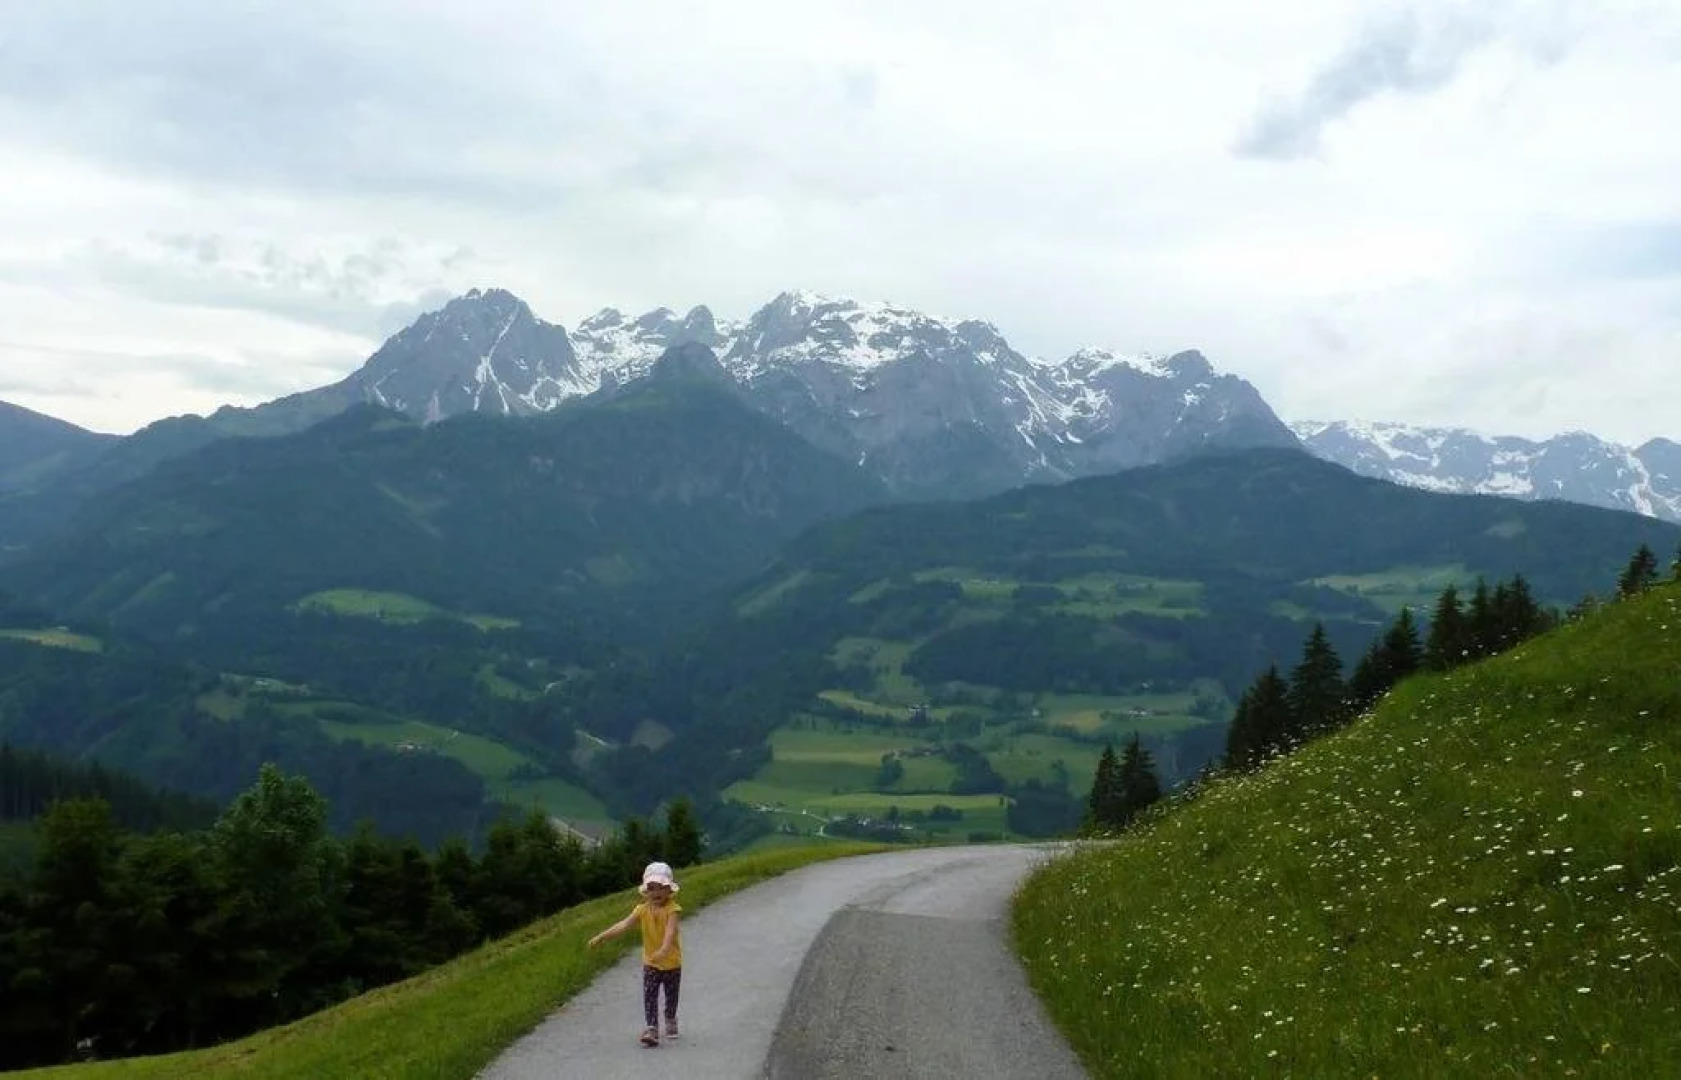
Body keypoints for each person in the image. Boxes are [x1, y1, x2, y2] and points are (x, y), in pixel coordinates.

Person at [587, 860, 684, 1047]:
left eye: (660, 888)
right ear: (645, 891)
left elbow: (671, 932)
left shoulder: (673, 910)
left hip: (671, 962)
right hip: (651, 962)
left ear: (669, 890)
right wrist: (602, 936)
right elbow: (623, 925)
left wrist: (664, 949)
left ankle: (670, 1018)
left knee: (671, 996)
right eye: (651, 888)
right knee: (650, 994)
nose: (655, 893)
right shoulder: (641, 910)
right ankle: (652, 1029)